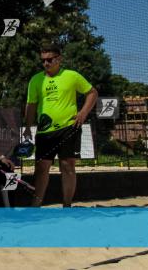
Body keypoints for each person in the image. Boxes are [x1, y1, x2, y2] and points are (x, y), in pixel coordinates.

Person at [23, 42, 98, 207]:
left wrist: (83, 113)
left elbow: (92, 93)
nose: (46, 63)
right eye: (43, 60)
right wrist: (28, 127)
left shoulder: (72, 76)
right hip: (44, 131)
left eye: (49, 59)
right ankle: (35, 207)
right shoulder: (36, 80)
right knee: (42, 168)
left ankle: (67, 206)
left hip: (69, 128)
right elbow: (31, 105)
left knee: (67, 165)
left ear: (59, 59)